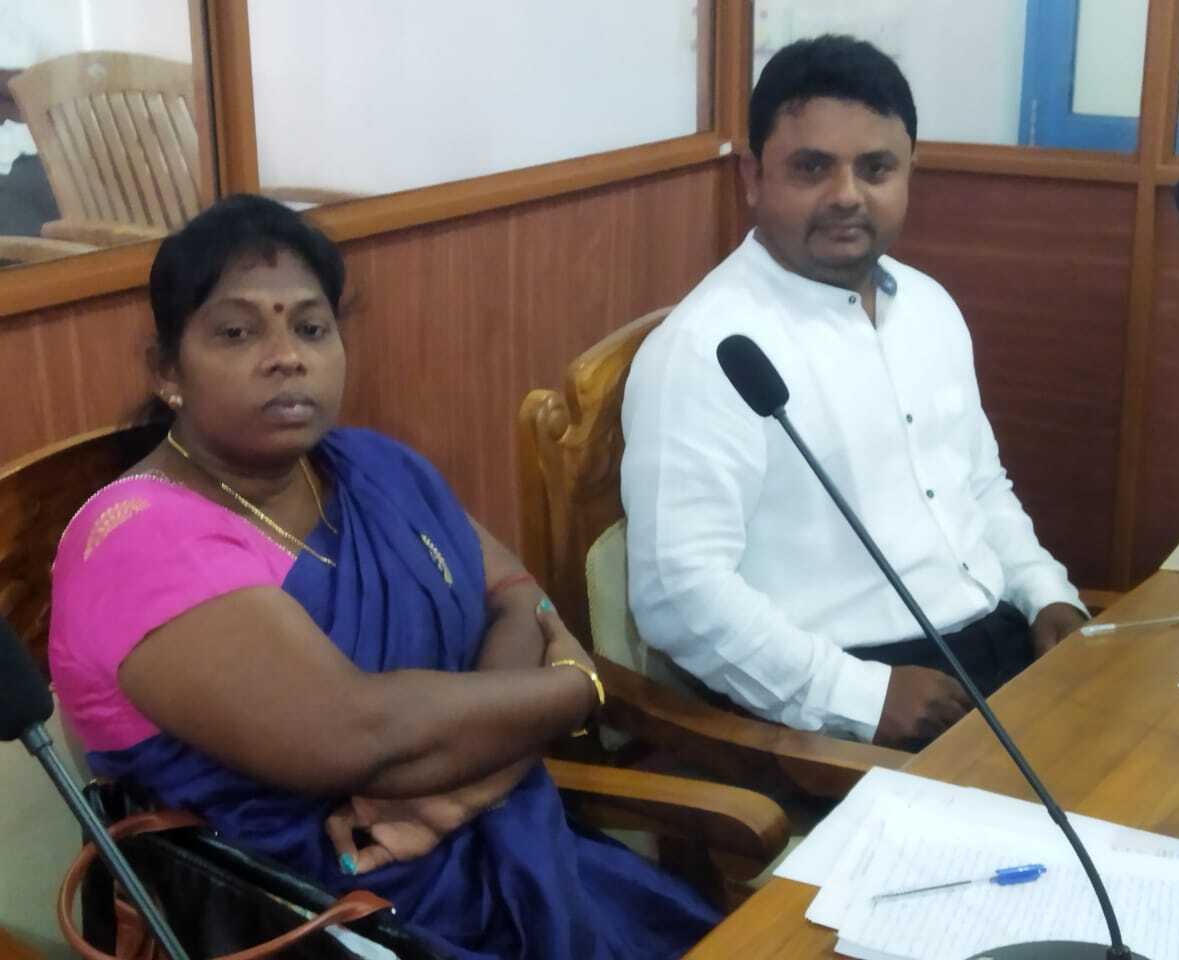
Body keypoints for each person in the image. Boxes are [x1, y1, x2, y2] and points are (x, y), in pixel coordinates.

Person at [48, 194, 718, 960]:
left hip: (508, 844)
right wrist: (575, 689)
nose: (286, 356)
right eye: (237, 332)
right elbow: (358, 735)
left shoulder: (371, 467)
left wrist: (463, 789)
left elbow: (516, 598)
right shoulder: (140, 539)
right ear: (168, 370)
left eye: (311, 327)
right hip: (313, 915)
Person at [620, 35, 1086, 751]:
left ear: (910, 173)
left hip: (996, 646)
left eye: (876, 168)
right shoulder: (706, 351)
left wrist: (1044, 592)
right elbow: (678, 594)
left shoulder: (928, 306)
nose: (846, 195)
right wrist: (861, 694)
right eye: (812, 168)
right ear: (753, 177)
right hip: (841, 706)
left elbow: (979, 486)